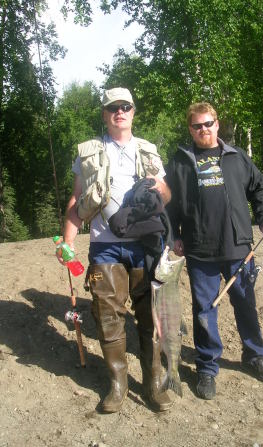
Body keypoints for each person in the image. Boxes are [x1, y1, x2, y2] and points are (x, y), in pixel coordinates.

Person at [59, 87, 173, 413]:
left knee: (149, 318)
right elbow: (76, 200)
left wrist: (158, 190)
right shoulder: (88, 153)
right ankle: (118, 383)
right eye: (112, 108)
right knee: (109, 319)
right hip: (104, 246)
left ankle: (152, 384)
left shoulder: (149, 151)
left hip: (145, 245)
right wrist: (68, 241)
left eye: (125, 107)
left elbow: (166, 195)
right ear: (105, 114)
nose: (119, 112)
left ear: (133, 112)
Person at [165, 102, 263, 401]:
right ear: (190, 129)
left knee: (245, 305)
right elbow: (169, 203)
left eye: (208, 123)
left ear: (217, 124)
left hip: (238, 247)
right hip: (200, 251)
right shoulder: (179, 161)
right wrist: (172, 234)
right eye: (196, 126)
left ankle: (254, 356)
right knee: (204, 311)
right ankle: (207, 367)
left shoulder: (237, 157)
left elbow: (259, 188)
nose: (203, 129)